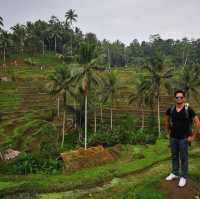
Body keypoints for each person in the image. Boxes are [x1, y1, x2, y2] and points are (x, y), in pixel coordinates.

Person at [164, 90, 200, 187]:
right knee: (174, 156)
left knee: (184, 158)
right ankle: (174, 173)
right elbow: (166, 120)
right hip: (173, 137)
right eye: (177, 97)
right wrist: (167, 132)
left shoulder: (189, 109)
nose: (179, 99)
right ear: (174, 98)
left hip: (184, 138)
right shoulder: (171, 109)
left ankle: (183, 177)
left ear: (184, 98)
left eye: (181, 97)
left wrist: (193, 136)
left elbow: (197, 122)